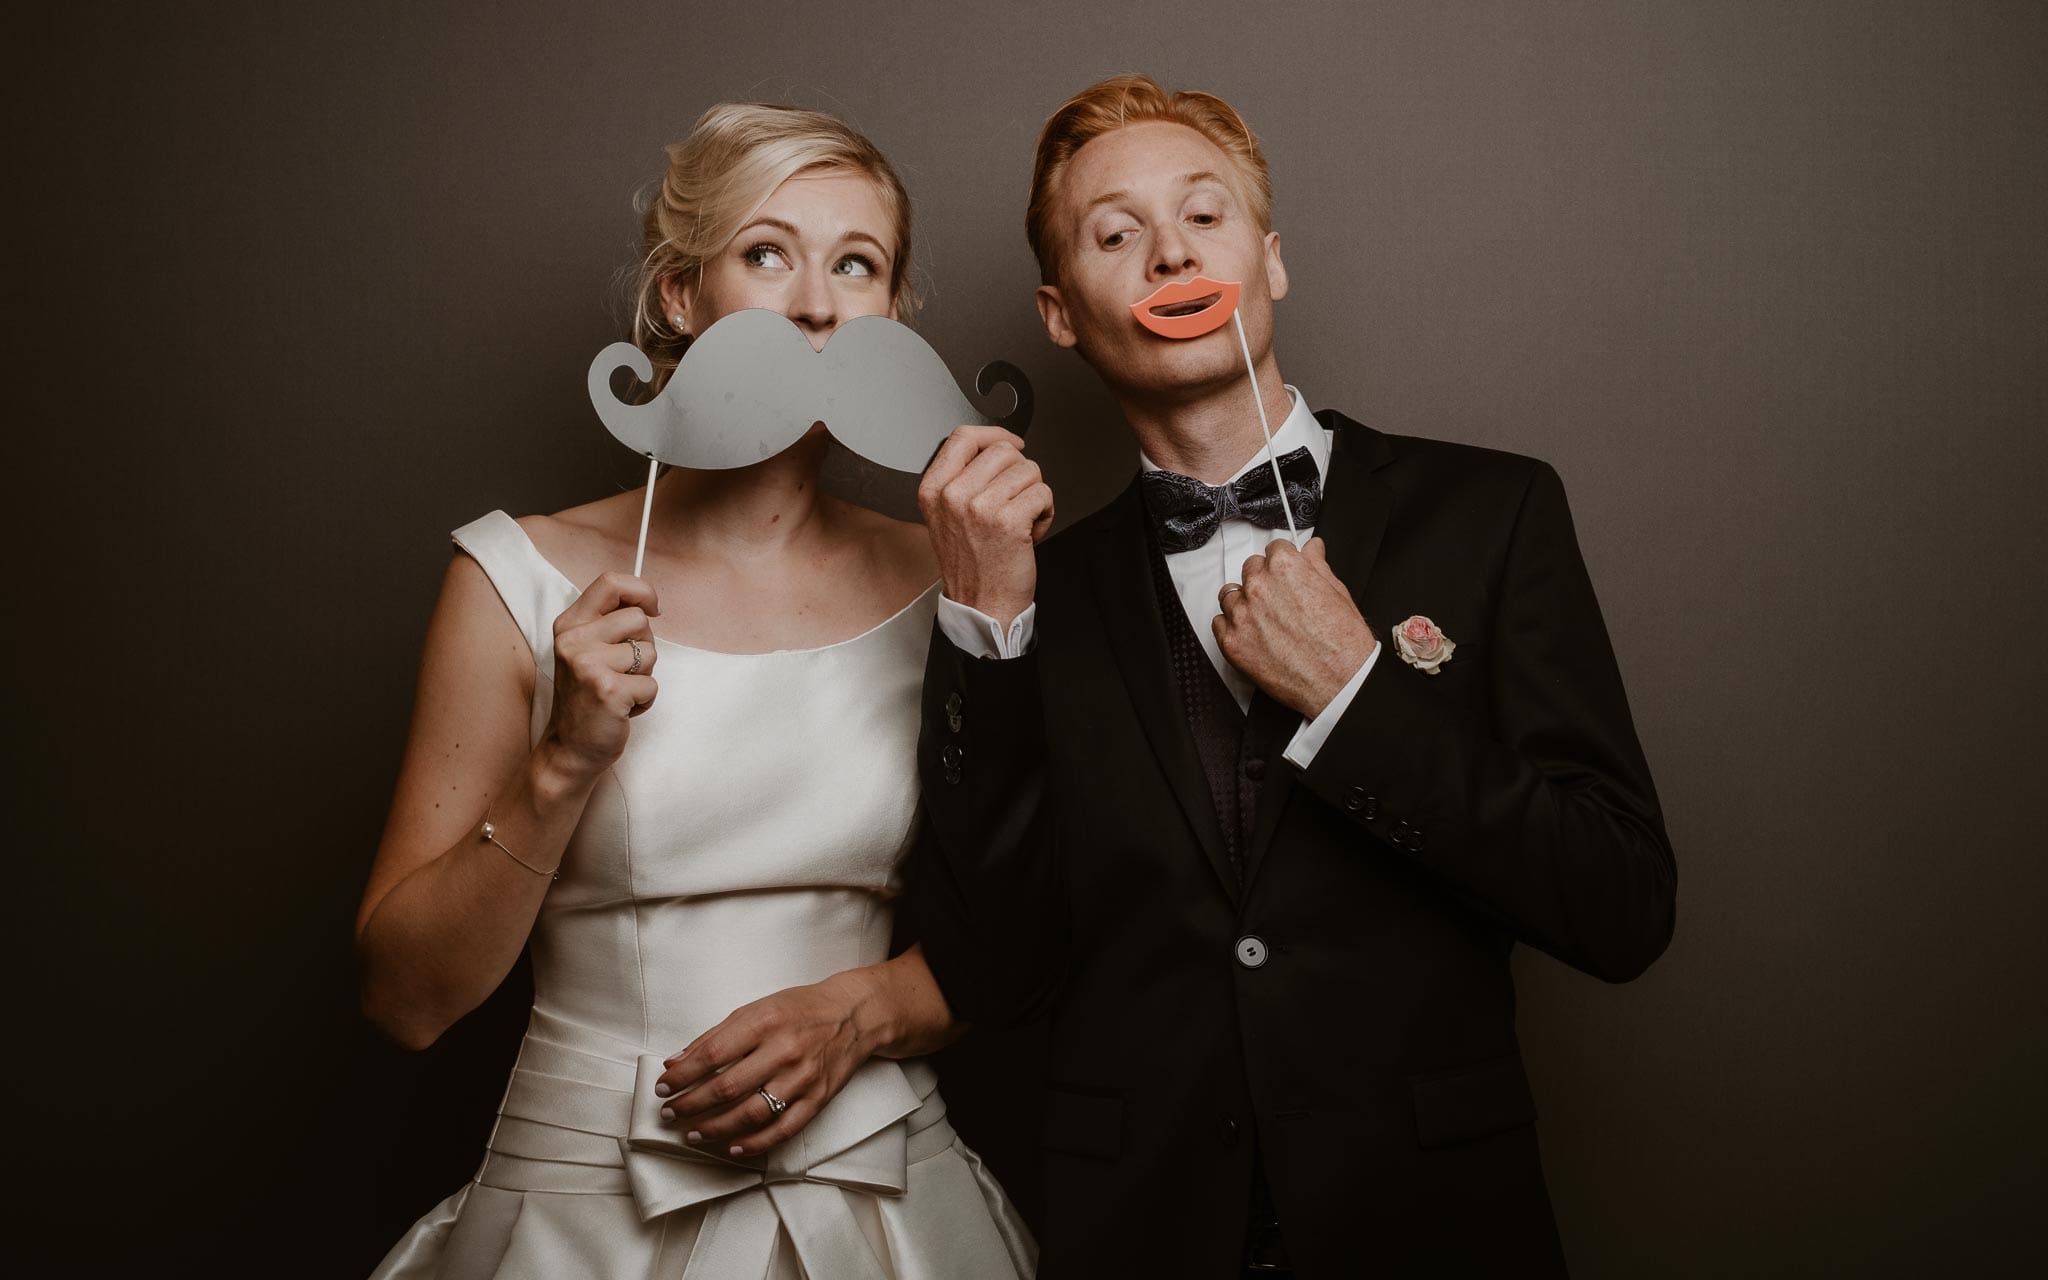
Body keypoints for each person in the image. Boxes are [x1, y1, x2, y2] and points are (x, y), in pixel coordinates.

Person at [911, 74, 1676, 1278]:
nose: (1169, 250)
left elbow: (1620, 903)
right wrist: (980, 626)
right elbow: (994, 973)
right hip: (1144, 1235)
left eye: (1203, 216)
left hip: (1432, 1226)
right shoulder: (1032, 595)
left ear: (1269, 262)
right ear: (1061, 313)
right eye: (1116, 233)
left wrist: (1359, 693)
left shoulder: (1493, 514)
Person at [356, 102, 1035, 1279]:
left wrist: (862, 1013)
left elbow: (1030, 926)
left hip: (888, 1204)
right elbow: (405, 998)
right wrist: (563, 761)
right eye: (767, 253)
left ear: (888, 314)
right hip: (582, 1222)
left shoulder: (949, 574)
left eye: (856, 265)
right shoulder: (512, 578)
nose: (817, 304)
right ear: (681, 296)